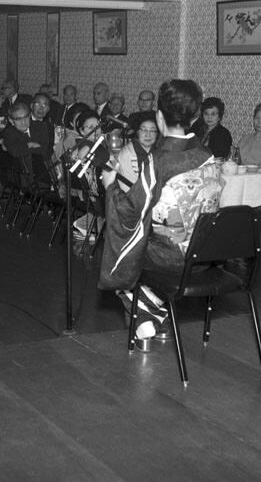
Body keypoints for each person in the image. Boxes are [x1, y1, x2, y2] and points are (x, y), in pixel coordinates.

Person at [100, 79, 222, 340]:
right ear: (196, 115)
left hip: (172, 258)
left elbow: (130, 212)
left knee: (121, 252)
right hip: (207, 253)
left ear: (158, 117)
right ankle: (152, 307)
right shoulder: (207, 155)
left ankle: (147, 315)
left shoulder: (160, 160)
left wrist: (111, 187)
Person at [116, 117, 159, 192]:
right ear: (137, 132)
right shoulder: (126, 153)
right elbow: (127, 187)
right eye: (144, 130)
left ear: (157, 134)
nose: (148, 134)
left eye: (152, 130)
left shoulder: (159, 151)